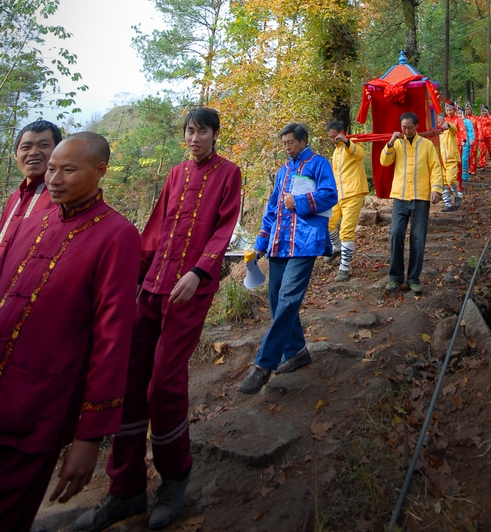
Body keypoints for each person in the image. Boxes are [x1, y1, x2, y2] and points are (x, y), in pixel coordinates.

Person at [79, 108, 242, 532]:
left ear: (215, 135)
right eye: (189, 131)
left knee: (164, 383)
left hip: (191, 289)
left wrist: (200, 270)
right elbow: (155, 229)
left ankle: (175, 474)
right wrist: (135, 273)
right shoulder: (175, 174)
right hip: (153, 284)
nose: (194, 138)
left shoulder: (228, 173)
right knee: (131, 378)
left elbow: (225, 227)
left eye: (202, 131)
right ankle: (125, 488)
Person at [0, 133, 140, 532]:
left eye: (68, 170)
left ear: (100, 171)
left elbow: (112, 339)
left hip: (40, 406)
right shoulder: (34, 223)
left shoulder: (117, 235)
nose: (54, 179)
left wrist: (89, 436)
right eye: (52, 169)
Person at [238, 123, 337, 395]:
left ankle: (263, 364)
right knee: (275, 298)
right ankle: (296, 351)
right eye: (283, 143)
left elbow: (330, 195)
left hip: (306, 241)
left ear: (303, 141)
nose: (287, 147)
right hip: (279, 243)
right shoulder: (282, 171)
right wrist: (260, 245)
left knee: (289, 297)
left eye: (290, 142)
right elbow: (272, 210)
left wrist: (300, 202)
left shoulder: (319, 164)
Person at [380, 112, 442, 294]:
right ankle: (396, 277)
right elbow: (385, 161)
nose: (406, 131)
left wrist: (436, 189)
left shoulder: (426, 145)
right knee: (396, 233)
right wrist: (390, 142)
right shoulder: (397, 143)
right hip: (400, 196)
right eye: (403, 127)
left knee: (418, 237)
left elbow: (435, 167)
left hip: (420, 197)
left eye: (409, 127)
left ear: (416, 126)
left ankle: (413, 278)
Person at [0, 120, 61, 261]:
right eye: (26, 147)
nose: (33, 152)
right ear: (15, 155)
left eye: (43, 145)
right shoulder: (15, 197)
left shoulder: (64, 196)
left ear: (59, 151)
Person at [326, 120, 368, 282]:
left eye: (335, 136)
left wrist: (346, 141)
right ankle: (337, 248)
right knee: (328, 222)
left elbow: (360, 154)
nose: (333, 139)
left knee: (346, 230)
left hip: (354, 192)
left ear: (342, 133)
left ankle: (344, 267)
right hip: (338, 194)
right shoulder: (336, 152)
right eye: (330, 137)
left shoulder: (353, 142)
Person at [438, 115, 462, 212]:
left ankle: (457, 195)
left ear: (443, 120)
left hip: (450, 158)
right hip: (440, 160)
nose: (438, 123)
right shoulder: (435, 133)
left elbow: (454, 129)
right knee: (443, 182)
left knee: (451, 179)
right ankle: (448, 204)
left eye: (439, 121)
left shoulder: (449, 130)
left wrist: (448, 125)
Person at [458, 106, 475, 184]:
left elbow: (471, 131)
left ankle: (464, 176)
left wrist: (471, 139)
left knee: (464, 158)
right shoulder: (454, 121)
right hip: (456, 142)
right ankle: (458, 175)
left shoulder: (467, 121)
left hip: (465, 141)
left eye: (459, 113)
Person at [464, 104, 479, 175]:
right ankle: (467, 169)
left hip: (474, 138)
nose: (467, 111)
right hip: (465, 138)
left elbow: (479, 128)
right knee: (466, 155)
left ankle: (473, 169)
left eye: (468, 109)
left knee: (473, 154)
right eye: (466, 109)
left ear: (471, 110)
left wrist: (479, 137)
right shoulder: (463, 118)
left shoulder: (476, 118)